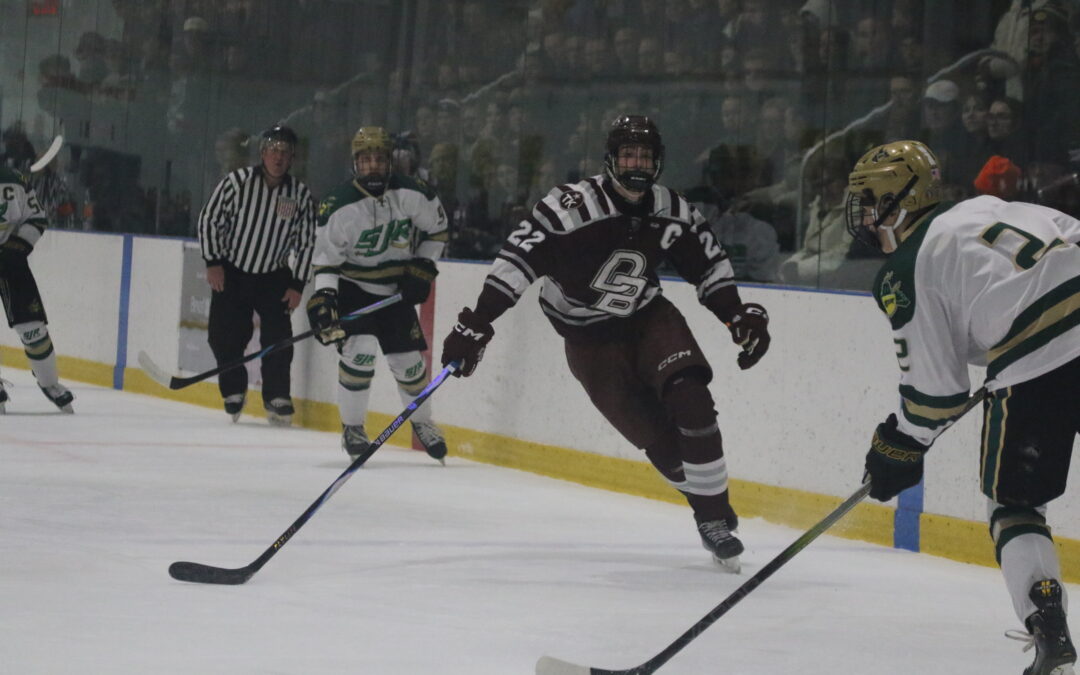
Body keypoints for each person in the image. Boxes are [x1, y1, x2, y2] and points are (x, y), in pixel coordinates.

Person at [440, 115, 771, 570]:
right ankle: (709, 507)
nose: (637, 163)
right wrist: (477, 322)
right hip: (587, 340)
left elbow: (708, 266)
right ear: (611, 159)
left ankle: (714, 519)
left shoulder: (671, 209)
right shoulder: (569, 207)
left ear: (658, 162)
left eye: (645, 156)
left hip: (648, 318)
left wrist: (736, 314)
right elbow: (516, 262)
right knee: (660, 443)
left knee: (692, 399)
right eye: (628, 154)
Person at [847, 140, 1079, 675]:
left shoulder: (908, 265)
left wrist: (899, 444)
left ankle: (1048, 626)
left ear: (898, 199)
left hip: (1037, 359)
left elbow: (935, 396)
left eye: (868, 200)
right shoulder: (991, 210)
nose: (861, 215)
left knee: (1015, 506)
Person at [307, 126, 450, 463]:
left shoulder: (414, 194)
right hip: (354, 287)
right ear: (355, 163)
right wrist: (325, 299)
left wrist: (424, 266)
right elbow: (326, 261)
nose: (372, 165)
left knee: (410, 363)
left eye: (378, 158)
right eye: (365, 159)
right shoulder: (338, 205)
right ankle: (353, 428)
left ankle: (423, 423)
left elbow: (438, 230)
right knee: (359, 351)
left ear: (389, 161)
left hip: (396, 291)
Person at [197, 124, 315, 426]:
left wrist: (296, 283)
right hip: (233, 271)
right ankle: (233, 390)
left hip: (273, 276)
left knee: (278, 340)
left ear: (291, 159)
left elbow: (305, 242)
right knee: (223, 336)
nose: (278, 157)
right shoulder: (237, 182)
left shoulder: (299, 195)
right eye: (274, 151)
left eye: (285, 153)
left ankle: (277, 396)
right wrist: (213, 261)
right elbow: (210, 219)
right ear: (263, 153)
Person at [0, 164, 75, 413]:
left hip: (11, 263)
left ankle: (50, 384)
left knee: (33, 330)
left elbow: (36, 219)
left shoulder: (15, 180)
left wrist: (16, 247)